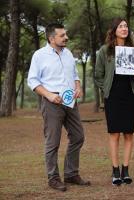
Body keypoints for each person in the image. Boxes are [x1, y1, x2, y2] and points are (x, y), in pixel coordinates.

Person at [27, 23, 90, 192]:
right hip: (52, 101)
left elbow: (75, 75)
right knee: (52, 141)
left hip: (70, 101)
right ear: (51, 38)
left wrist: (78, 87)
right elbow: (32, 81)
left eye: (65, 34)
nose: (66, 38)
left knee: (78, 136)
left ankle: (70, 174)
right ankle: (53, 178)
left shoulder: (68, 53)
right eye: (62, 35)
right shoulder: (39, 55)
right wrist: (49, 95)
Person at [94, 18, 134, 186]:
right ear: (114, 29)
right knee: (114, 133)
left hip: (130, 95)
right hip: (113, 96)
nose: (124, 28)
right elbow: (98, 76)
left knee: (128, 133)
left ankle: (126, 169)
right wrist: (106, 89)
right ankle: (115, 171)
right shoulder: (105, 50)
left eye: (126, 26)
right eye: (121, 26)